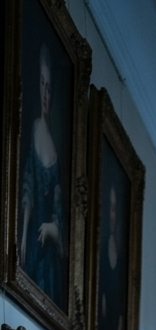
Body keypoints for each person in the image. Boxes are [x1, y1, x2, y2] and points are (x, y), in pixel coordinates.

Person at [20, 43, 65, 309]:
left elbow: (59, 211)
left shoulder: (57, 153)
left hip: (49, 255)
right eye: (42, 84)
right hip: (33, 247)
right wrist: (24, 235)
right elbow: (27, 187)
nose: (45, 93)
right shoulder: (34, 128)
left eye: (50, 87)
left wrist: (53, 229)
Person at [99, 183, 126, 330]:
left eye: (115, 208)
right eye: (109, 206)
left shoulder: (122, 259)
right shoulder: (99, 249)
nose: (112, 214)